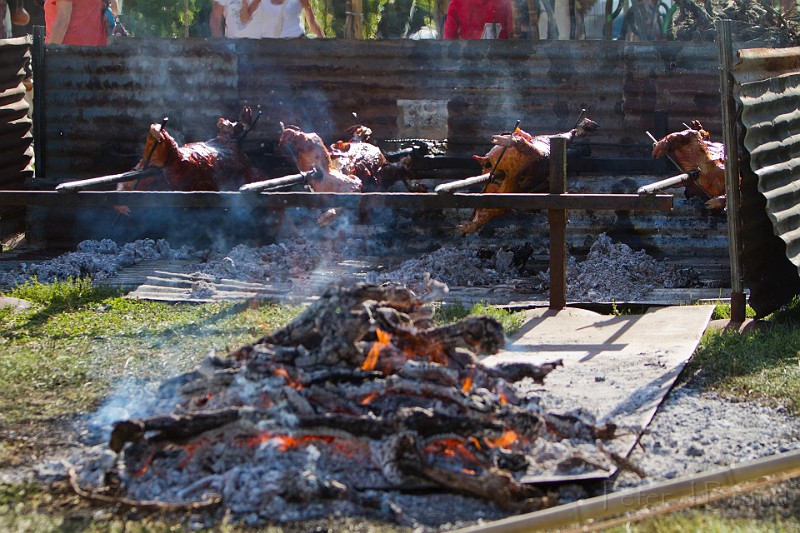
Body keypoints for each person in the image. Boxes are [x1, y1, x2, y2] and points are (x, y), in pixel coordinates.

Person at [211, 0, 322, 38]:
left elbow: (311, 21)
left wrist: (324, 41)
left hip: (297, 40)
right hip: (271, 46)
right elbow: (244, 19)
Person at [44, 0, 116, 45]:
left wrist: (47, 56)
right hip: (94, 54)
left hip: (67, 57)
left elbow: (62, 23)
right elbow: (115, 9)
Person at [443, 0, 513, 39]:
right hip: (499, 59)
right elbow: (511, 33)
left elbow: (449, 38)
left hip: (468, 58)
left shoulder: (457, 2)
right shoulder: (504, 2)